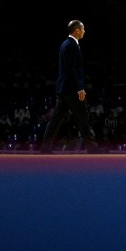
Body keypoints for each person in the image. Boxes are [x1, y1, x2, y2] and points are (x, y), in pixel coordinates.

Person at [40, 20, 101, 153]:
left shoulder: (66, 44)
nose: (84, 31)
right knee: (83, 117)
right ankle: (91, 147)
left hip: (65, 89)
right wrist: (80, 88)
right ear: (77, 30)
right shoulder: (71, 45)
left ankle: (45, 147)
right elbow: (71, 69)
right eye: (83, 28)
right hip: (72, 89)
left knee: (56, 120)